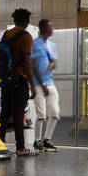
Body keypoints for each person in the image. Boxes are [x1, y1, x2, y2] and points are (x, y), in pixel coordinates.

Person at [0, 8, 36, 157]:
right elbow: (27, 61)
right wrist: (32, 83)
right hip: (19, 80)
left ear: (14, 21)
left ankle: (0, 144)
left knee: (4, 113)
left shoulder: (6, 35)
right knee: (18, 114)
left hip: (6, 80)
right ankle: (20, 147)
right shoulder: (26, 37)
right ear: (27, 22)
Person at [31, 18, 60, 152]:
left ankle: (47, 139)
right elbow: (33, 65)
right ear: (43, 29)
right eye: (50, 27)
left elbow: (54, 62)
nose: (52, 29)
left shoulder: (52, 45)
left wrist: (52, 64)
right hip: (38, 84)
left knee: (54, 112)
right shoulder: (35, 44)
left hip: (50, 82)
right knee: (41, 114)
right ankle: (37, 140)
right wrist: (41, 84)